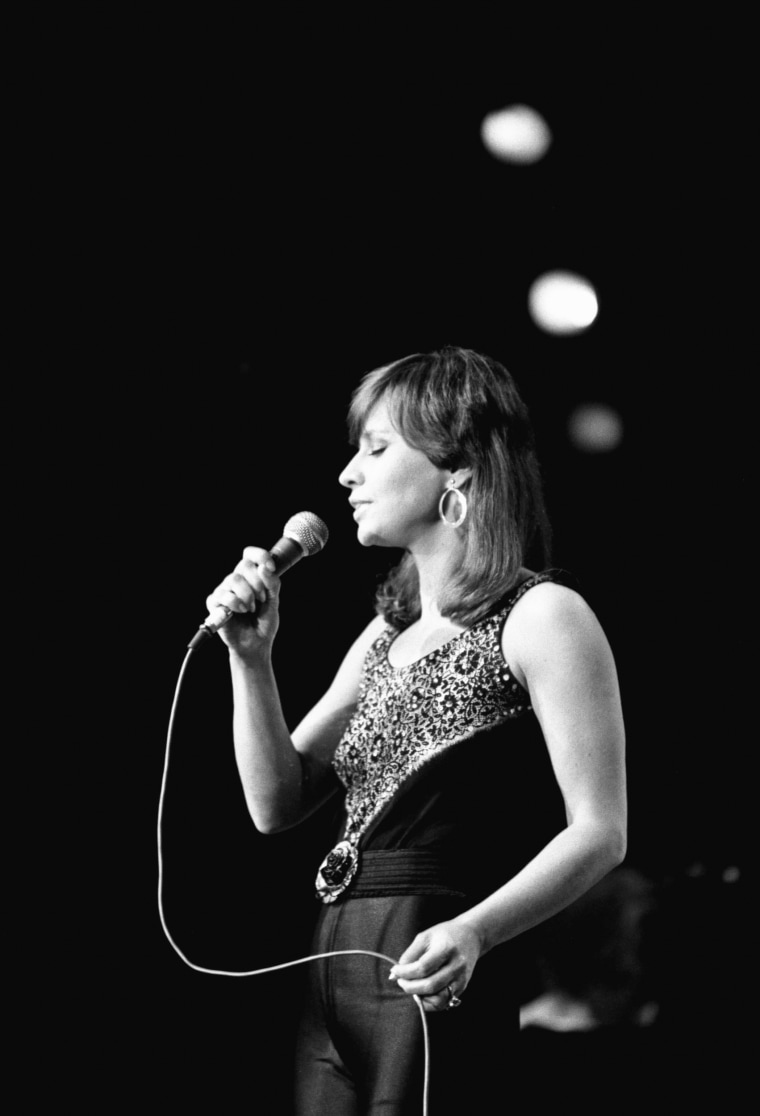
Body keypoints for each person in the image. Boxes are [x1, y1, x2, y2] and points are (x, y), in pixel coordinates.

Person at [205, 346, 627, 1115]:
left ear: (456, 470)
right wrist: (252, 660)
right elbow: (276, 803)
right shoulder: (383, 634)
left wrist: (476, 932)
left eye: (376, 448)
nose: (347, 475)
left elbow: (600, 830)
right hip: (327, 966)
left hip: (433, 957)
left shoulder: (541, 616)